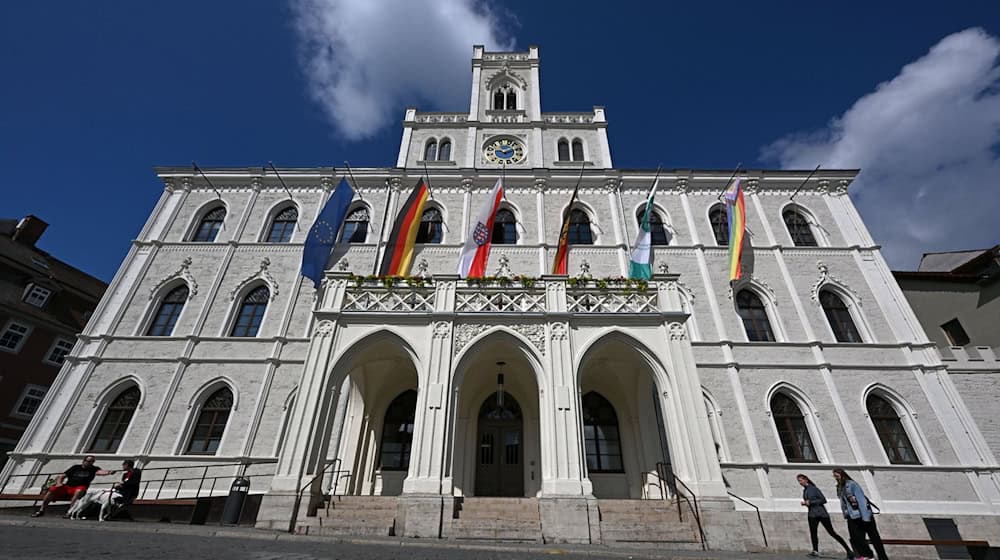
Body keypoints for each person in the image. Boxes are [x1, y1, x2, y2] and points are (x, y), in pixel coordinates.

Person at [31, 455, 116, 517]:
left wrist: (108, 472)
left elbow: (100, 472)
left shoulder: (94, 468)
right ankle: (41, 510)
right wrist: (59, 483)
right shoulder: (75, 467)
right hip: (67, 486)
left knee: (79, 491)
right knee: (52, 489)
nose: (90, 463)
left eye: (92, 461)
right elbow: (62, 476)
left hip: (80, 487)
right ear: (84, 461)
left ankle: (70, 512)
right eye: (89, 461)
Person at [834, 469, 888, 560]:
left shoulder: (852, 484)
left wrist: (866, 517)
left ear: (842, 475)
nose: (836, 478)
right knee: (855, 538)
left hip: (863, 514)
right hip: (852, 516)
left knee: (874, 538)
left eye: (837, 475)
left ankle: (883, 557)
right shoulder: (840, 487)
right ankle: (868, 555)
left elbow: (861, 500)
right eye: (835, 476)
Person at [798, 474, 853, 558]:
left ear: (806, 480)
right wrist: (806, 504)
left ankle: (849, 551)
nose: (800, 482)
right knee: (813, 533)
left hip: (822, 514)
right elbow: (810, 502)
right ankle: (815, 551)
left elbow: (823, 500)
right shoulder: (805, 491)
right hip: (812, 514)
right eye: (799, 481)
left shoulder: (814, 489)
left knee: (832, 532)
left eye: (801, 480)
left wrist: (811, 502)